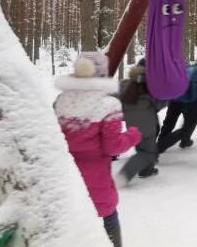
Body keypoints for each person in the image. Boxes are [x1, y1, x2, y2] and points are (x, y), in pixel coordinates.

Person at [55, 52, 141, 247]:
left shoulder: (61, 101)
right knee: (108, 216)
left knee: (74, 221)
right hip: (96, 178)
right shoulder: (108, 105)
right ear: (102, 73)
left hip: (67, 176)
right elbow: (113, 146)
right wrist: (133, 135)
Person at [117, 59, 166, 185]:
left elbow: (117, 102)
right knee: (147, 153)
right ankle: (125, 174)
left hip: (131, 124)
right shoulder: (150, 86)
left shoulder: (123, 84)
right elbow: (158, 105)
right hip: (148, 125)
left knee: (142, 149)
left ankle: (147, 170)